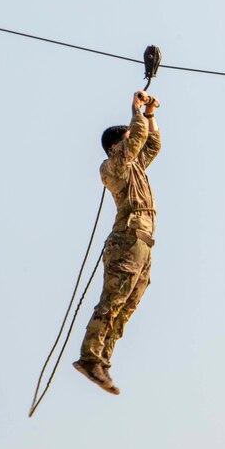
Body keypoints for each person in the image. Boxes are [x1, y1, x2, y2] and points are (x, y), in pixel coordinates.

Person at [73, 90, 161, 395]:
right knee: (112, 302)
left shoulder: (133, 165)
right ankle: (89, 357)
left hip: (143, 242)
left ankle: (102, 362)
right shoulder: (114, 165)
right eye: (126, 140)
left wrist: (149, 114)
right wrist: (136, 109)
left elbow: (151, 143)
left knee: (126, 306)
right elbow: (137, 138)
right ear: (116, 145)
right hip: (127, 240)